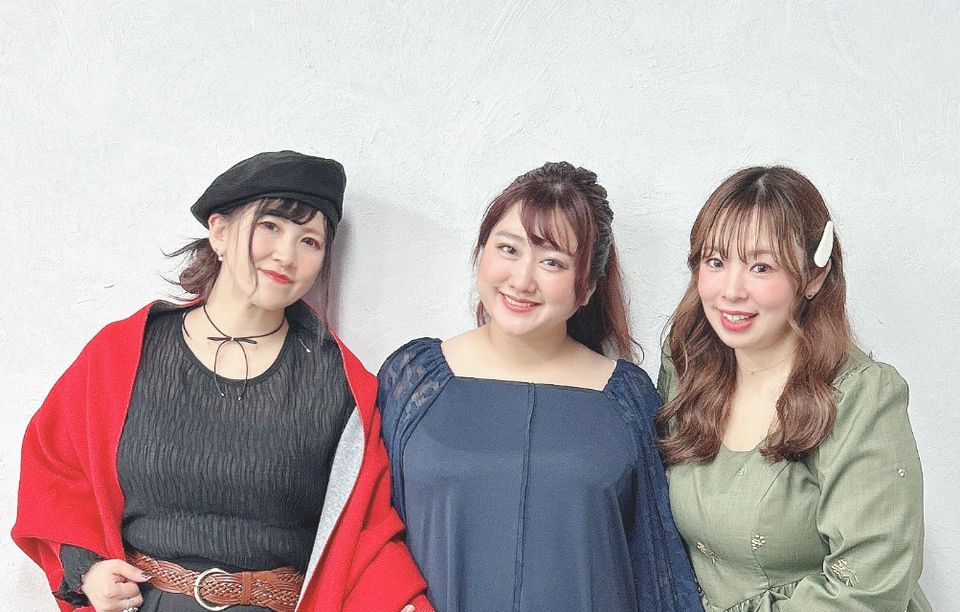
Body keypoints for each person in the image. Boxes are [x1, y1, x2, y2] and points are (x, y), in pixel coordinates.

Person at [13, 151, 430, 612]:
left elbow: (367, 532)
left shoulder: (341, 384)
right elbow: (54, 470)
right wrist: (87, 570)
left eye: (310, 241)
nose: (286, 255)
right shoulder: (124, 353)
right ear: (220, 231)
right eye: (270, 226)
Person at [377, 162, 702, 612]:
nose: (522, 280)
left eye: (552, 262)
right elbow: (368, 530)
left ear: (586, 287)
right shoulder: (413, 380)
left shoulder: (627, 399)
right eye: (508, 249)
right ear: (481, 251)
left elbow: (656, 567)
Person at [657, 166, 930, 611]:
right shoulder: (687, 367)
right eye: (716, 261)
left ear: (814, 276)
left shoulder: (860, 396)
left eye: (761, 267)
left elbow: (870, 588)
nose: (731, 291)